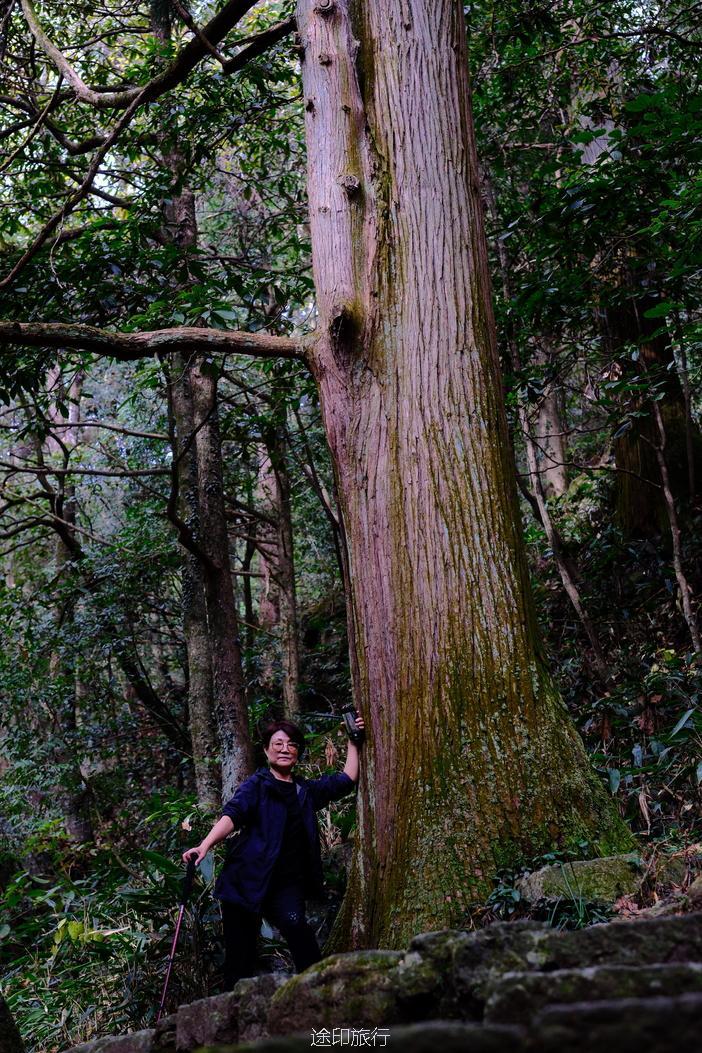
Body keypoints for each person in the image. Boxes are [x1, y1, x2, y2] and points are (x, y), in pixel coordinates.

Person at [182, 714, 364, 987]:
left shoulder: (305, 791)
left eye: (291, 744)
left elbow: (346, 780)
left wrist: (353, 740)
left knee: (299, 933)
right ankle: (235, 1009)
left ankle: (319, 993)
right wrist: (205, 845)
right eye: (278, 744)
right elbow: (233, 815)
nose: (284, 749)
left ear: (298, 753)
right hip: (245, 883)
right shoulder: (257, 786)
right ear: (266, 751)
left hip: (285, 886)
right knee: (239, 958)